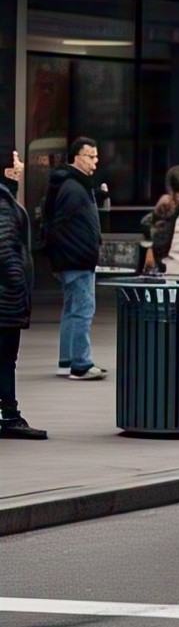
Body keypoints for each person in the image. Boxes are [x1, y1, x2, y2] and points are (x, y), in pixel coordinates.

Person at [43, 137, 105, 380]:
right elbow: (62, 224)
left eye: (96, 156)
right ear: (77, 157)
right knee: (83, 310)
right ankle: (81, 364)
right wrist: (83, 251)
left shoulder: (71, 184)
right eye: (91, 156)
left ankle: (67, 360)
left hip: (72, 258)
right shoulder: (73, 187)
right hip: (78, 258)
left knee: (71, 310)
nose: (95, 162)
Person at [1, 153, 47, 438]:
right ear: (7, 169)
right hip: (6, 300)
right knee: (6, 359)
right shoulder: (3, 204)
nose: (21, 165)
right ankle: (9, 415)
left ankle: (8, 413)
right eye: (16, 160)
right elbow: (4, 247)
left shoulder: (7, 199)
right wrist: (18, 283)